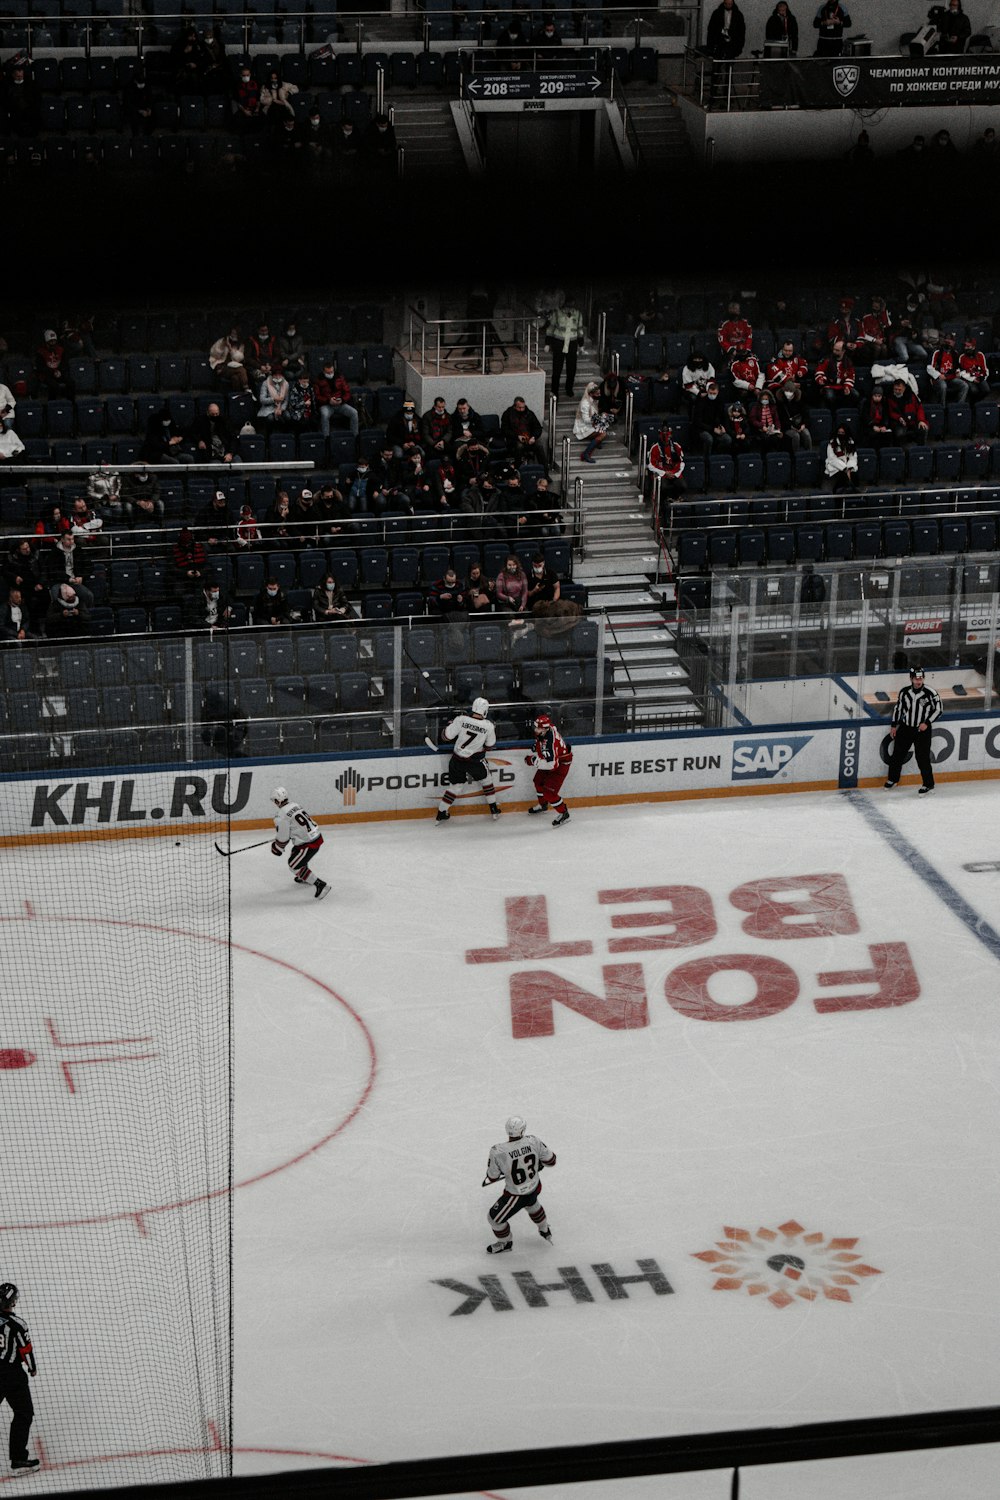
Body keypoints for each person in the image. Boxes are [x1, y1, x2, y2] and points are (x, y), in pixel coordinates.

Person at [483, 1116, 556, 1253]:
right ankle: (544, 1229)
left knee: (494, 1219)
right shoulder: (533, 1141)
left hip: (516, 1195)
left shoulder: (498, 1151)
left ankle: (505, 1243)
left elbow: (492, 1176)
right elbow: (551, 1161)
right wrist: (538, 1164)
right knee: (532, 1203)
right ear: (522, 1130)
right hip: (535, 1186)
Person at [433, 697, 502, 822]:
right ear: (485, 711)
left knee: (455, 787)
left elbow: (445, 737)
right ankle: (494, 809)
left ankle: (441, 812)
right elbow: (489, 745)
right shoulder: (488, 726)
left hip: (457, 760)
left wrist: (450, 724)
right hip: (475, 761)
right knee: (487, 781)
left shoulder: (461, 720)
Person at [884, 666, 942, 794]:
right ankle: (893, 779)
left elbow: (939, 710)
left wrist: (927, 723)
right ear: (911, 678)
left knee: (922, 758)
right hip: (905, 728)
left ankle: (928, 784)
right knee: (897, 755)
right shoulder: (904, 692)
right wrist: (894, 725)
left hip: (922, 730)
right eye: (916, 678)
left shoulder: (930, 692)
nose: (918, 681)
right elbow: (898, 709)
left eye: (920, 678)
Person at [0, 1285, 38, 1474]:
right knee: (24, 1413)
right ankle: (18, 1460)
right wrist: (32, 1367)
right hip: (12, 1376)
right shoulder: (17, 1324)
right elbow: (25, 1349)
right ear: (12, 1301)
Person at [271, 786, 330, 899]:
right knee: (296, 852)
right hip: (316, 836)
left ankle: (320, 885)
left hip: (308, 844)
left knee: (294, 865)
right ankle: (303, 876)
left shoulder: (280, 815)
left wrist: (276, 847)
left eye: (274, 801)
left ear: (277, 801)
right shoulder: (295, 805)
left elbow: (283, 838)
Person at [524, 711, 572, 826]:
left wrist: (533, 761)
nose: (535, 730)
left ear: (545, 729)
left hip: (561, 764)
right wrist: (538, 746)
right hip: (554, 759)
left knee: (549, 793)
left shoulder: (549, 744)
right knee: (538, 781)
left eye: (538, 728)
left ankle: (564, 813)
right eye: (536, 727)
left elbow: (552, 765)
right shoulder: (548, 729)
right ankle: (543, 805)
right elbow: (543, 740)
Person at [546, 299, 585, 398]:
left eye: (571, 305)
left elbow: (580, 330)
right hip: (559, 342)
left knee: (572, 368)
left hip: (572, 342)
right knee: (557, 368)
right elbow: (551, 328)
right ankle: (554, 390)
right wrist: (547, 343)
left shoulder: (578, 314)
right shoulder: (557, 313)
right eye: (567, 305)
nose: (569, 308)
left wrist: (581, 345)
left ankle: (569, 388)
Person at [500, 395, 548, 470]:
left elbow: (537, 427)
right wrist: (517, 436)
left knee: (539, 447)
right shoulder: (508, 414)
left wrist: (534, 437)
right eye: (519, 408)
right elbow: (504, 430)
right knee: (519, 446)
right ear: (514, 406)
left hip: (529, 439)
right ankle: (518, 470)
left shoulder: (529, 414)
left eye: (523, 407)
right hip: (513, 440)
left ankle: (545, 471)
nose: (522, 409)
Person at [315, 360, 359, 441]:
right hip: (326, 404)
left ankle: (355, 437)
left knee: (354, 413)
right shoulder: (318, 380)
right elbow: (317, 396)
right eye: (328, 373)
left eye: (331, 372)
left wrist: (342, 400)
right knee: (324, 415)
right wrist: (328, 400)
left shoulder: (340, 377)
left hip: (340, 403)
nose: (330, 374)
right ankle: (326, 438)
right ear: (324, 371)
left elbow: (347, 392)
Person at [573, 381, 610, 464]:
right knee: (603, 433)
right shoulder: (585, 403)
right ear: (591, 394)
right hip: (583, 426)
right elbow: (586, 419)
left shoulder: (593, 400)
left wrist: (602, 415)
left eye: (599, 393)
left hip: (592, 423)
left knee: (605, 424)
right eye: (597, 394)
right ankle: (586, 454)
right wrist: (598, 420)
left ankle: (596, 441)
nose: (599, 396)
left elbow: (594, 414)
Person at [928, 332, 967, 405]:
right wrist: (939, 375)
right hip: (939, 378)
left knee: (964, 385)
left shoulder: (955, 353)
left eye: (951, 341)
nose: (949, 343)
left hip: (951, 378)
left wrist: (958, 371)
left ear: (953, 342)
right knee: (943, 386)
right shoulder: (937, 352)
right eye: (947, 341)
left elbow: (957, 366)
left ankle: (958, 406)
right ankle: (942, 407)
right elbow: (929, 367)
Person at [957, 336, 990, 402]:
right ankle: (972, 404)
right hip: (968, 378)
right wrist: (972, 379)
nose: (966, 348)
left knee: (986, 390)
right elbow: (961, 372)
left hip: (979, 376)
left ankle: (976, 403)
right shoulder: (962, 357)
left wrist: (982, 378)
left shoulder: (980, 355)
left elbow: (985, 369)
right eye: (965, 346)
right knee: (974, 391)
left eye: (968, 346)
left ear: (973, 347)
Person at [825, 426, 858, 492]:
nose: (840, 434)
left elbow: (853, 457)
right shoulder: (832, 443)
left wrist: (848, 468)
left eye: (842, 432)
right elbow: (832, 459)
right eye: (839, 432)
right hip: (836, 466)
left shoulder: (850, 442)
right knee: (843, 477)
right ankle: (837, 494)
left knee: (855, 477)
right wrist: (845, 468)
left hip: (848, 466)